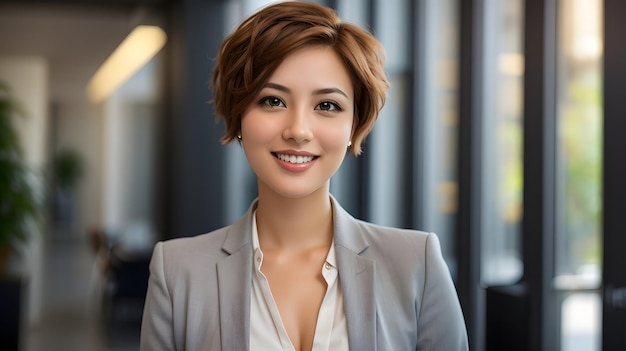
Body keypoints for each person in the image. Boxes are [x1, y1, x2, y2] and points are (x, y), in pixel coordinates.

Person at [140, 2, 469, 350]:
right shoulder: (177, 271)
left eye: (327, 105)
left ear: (353, 125)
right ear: (239, 115)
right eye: (272, 101)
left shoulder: (416, 265)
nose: (298, 130)